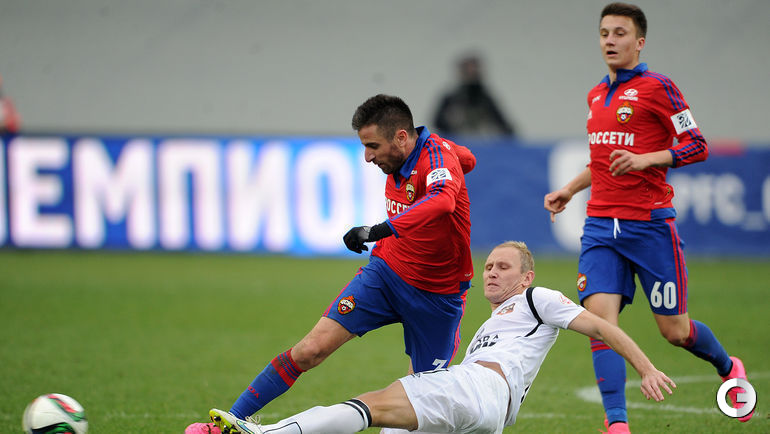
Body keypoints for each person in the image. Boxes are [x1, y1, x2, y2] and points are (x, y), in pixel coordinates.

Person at [186, 94, 476, 433]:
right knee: (310, 350)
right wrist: (458, 162)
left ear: (401, 137)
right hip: (386, 275)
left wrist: (376, 230)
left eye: (373, 146)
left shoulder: (436, 156)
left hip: (437, 296)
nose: (368, 157)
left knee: (423, 396)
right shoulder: (427, 156)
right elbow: (468, 159)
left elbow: (442, 201)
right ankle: (226, 425)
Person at [206, 241, 676, 434]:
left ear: (527, 276)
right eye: (488, 266)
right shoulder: (490, 325)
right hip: (488, 412)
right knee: (392, 428)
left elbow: (601, 326)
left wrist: (646, 366)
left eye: (503, 267)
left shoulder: (539, 299)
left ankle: (264, 433)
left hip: (479, 388)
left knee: (371, 405)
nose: (491, 272)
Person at [543, 3, 753, 432]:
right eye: (604, 33)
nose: (610, 41)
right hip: (601, 226)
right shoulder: (595, 95)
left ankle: (728, 366)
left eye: (620, 33)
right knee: (599, 325)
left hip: (650, 226)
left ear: (639, 42)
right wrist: (570, 189)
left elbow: (696, 145)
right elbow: (602, 161)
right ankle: (617, 424)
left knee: (675, 332)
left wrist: (646, 159)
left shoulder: (659, 87)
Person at [433, 53, 516, 139]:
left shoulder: (486, 101)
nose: (471, 75)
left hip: (482, 143)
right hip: (458, 142)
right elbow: (438, 123)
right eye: (468, 72)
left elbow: (505, 126)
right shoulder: (451, 100)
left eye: (474, 72)